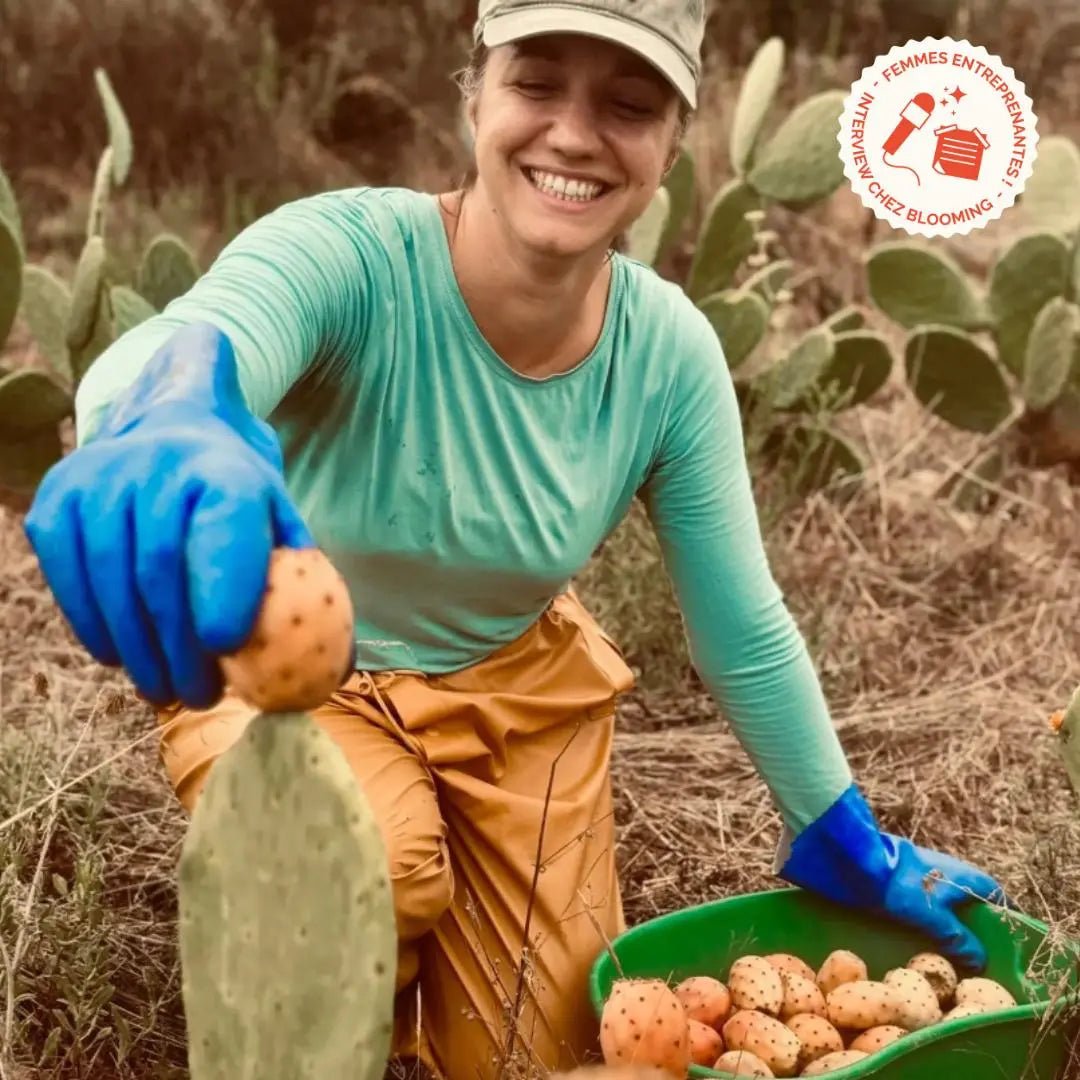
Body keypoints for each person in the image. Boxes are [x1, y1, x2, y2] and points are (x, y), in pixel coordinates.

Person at [23, 0, 1007, 1076]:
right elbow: (205, 331)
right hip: (295, 680)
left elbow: (743, 624)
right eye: (536, 84)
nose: (576, 134)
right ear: (474, 98)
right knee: (379, 866)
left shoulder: (668, 353)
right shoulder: (352, 254)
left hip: (516, 692)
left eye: (629, 104)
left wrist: (838, 823)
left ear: (673, 143)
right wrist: (164, 406)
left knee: (565, 1051)